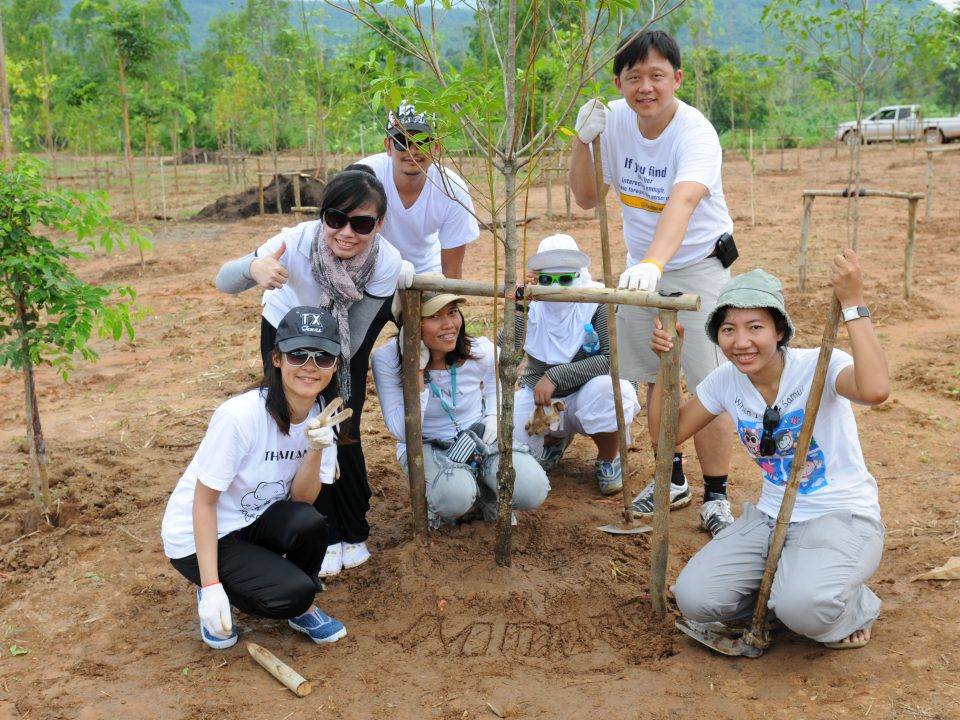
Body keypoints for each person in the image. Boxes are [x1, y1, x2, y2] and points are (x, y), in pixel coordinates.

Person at [652, 252, 889, 650]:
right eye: (728, 329)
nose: (741, 342)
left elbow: (876, 390)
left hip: (840, 516)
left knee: (806, 610)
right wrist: (666, 365)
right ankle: (794, 593)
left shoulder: (821, 364)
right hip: (770, 517)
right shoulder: (725, 381)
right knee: (696, 599)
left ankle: (850, 605)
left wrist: (853, 303)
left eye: (755, 327)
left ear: (779, 331)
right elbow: (665, 437)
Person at [568, 29, 736, 536]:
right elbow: (587, 197)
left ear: (676, 79)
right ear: (619, 81)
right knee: (652, 375)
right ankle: (672, 476)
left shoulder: (696, 133)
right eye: (634, 76)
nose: (646, 86)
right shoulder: (614, 123)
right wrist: (583, 141)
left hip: (696, 264)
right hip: (643, 265)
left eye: (657, 75)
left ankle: (718, 494)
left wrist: (656, 265)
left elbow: (682, 203)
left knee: (708, 383)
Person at [215, 169, 412, 578]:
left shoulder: (385, 260)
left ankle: (351, 529)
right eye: (335, 219)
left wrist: (323, 377)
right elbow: (224, 280)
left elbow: (352, 337)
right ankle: (314, 533)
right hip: (285, 333)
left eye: (362, 224)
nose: (346, 233)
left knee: (342, 425)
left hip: (343, 343)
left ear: (379, 224)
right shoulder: (296, 241)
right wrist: (254, 268)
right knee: (294, 426)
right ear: (322, 216)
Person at [161, 306, 353, 649]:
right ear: (277, 359)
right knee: (291, 593)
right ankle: (227, 591)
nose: (310, 366)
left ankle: (299, 605)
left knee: (310, 523)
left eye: (323, 357)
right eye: (298, 354)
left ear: (335, 365)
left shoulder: (325, 415)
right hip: (199, 533)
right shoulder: (240, 417)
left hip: (251, 518)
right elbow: (203, 504)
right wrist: (210, 588)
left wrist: (315, 449)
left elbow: (302, 502)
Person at [371, 289, 550, 527]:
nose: (449, 325)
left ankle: (486, 496)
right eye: (434, 316)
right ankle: (443, 502)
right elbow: (402, 431)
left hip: (476, 436)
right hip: (426, 443)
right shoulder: (387, 360)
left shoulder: (479, 351)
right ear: (410, 324)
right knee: (453, 499)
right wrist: (417, 372)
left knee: (531, 489)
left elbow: (499, 385)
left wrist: (492, 417)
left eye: (453, 312)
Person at [508, 234, 640, 496]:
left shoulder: (597, 302)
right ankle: (555, 440)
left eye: (565, 279)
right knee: (513, 441)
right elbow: (508, 355)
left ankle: (607, 458)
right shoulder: (530, 303)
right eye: (547, 280)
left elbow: (612, 361)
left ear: (579, 277)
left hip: (587, 396)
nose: (556, 288)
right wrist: (518, 307)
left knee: (611, 390)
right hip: (544, 401)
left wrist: (557, 374)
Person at [358, 100, 479, 278]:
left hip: (426, 274)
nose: (413, 151)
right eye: (402, 141)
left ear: (436, 147)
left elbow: (452, 270)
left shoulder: (452, 190)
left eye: (422, 142)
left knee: (443, 305)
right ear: (388, 147)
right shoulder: (364, 177)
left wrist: (448, 302)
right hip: (372, 273)